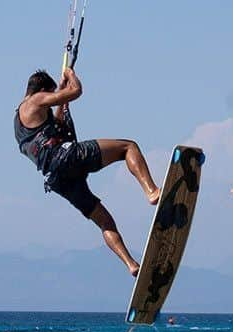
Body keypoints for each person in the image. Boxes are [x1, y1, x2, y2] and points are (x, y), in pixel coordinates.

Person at [15, 67, 160, 276]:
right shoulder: (35, 100)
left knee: (104, 221)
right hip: (65, 157)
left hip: (57, 180)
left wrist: (61, 97)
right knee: (128, 147)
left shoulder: (20, 123)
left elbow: (59, 125)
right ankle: (152, 191)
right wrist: (69, 75)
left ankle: (131, 264)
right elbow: (77, 91)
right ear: (42, 89)